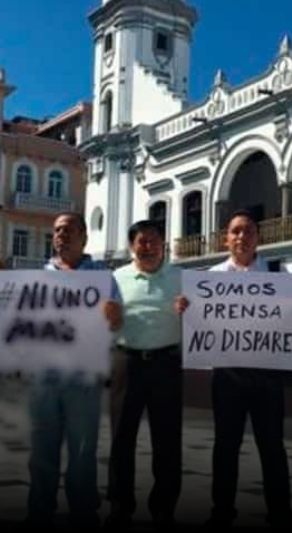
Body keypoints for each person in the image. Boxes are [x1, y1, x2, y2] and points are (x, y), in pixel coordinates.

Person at [0, 212, 123, 530]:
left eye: (69, 230)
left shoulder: (103, 277)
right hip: (43, 374)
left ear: (84, 236)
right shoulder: (36, 277)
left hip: (84, 374)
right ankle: (39, 510)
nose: (62, 235)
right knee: (42, 449)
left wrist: (113, 315)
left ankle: (83, 512)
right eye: (57, 231)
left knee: (83, 450)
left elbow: (116, 324)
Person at [177, 209, 292, 532]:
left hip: (268, 374)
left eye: (248, 231)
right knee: (225, 446)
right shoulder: (209, 278)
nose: (242, 237)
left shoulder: (277, 273)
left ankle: (280, 511)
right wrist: (184, 312)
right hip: (228, 375)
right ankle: (222, 510)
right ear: (226, 238)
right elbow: (198, 324)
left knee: (272, 446)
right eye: (235, 231)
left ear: (258, 236)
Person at [106, 220, 184, 531]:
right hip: (127, 362)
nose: (148, 246)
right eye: (142, 241)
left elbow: (203, 317)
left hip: (167, 364)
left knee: (167, 441)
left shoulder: (181, 278)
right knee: (121, 439)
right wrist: (108, 318)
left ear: (163, 244)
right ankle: (120, 505)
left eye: (154, 240)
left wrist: (189, 310)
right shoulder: (115, 278)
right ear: (131, 246)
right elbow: (104, 322)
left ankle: (164, 507)